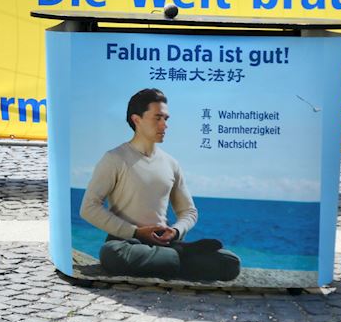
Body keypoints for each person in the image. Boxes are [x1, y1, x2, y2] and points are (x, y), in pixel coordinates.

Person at [80, 88, 239, 282]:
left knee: (230, 262)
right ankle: (182, 254)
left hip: (164, 243)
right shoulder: (115, 158)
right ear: (136, 120)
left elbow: (188, 211)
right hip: (127, 242)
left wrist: (176, 231)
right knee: (112, 254)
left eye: (166, 118)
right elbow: (88, 208)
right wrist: (136, 232)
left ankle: (171, 257)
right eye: (157, 118)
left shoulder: (171, 163)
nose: (164, 125)